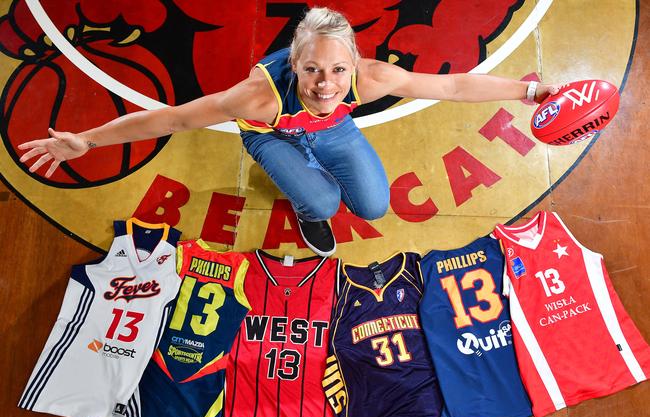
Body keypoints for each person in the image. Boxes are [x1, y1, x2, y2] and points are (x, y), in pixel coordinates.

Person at [18, 7, 559, 257]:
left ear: (354, 65)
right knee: (322, 205)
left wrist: (530, 93)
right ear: (294, 64)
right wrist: (87, 140)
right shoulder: (256, 95)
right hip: (271, 135)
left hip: (333, 133)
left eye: (337, 70)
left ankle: (315, 187)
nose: (326, 84)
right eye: (313, 70)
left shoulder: (369, 79)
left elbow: (457, 89)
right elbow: (174, 118)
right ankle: (306, 208)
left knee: (372, 207)